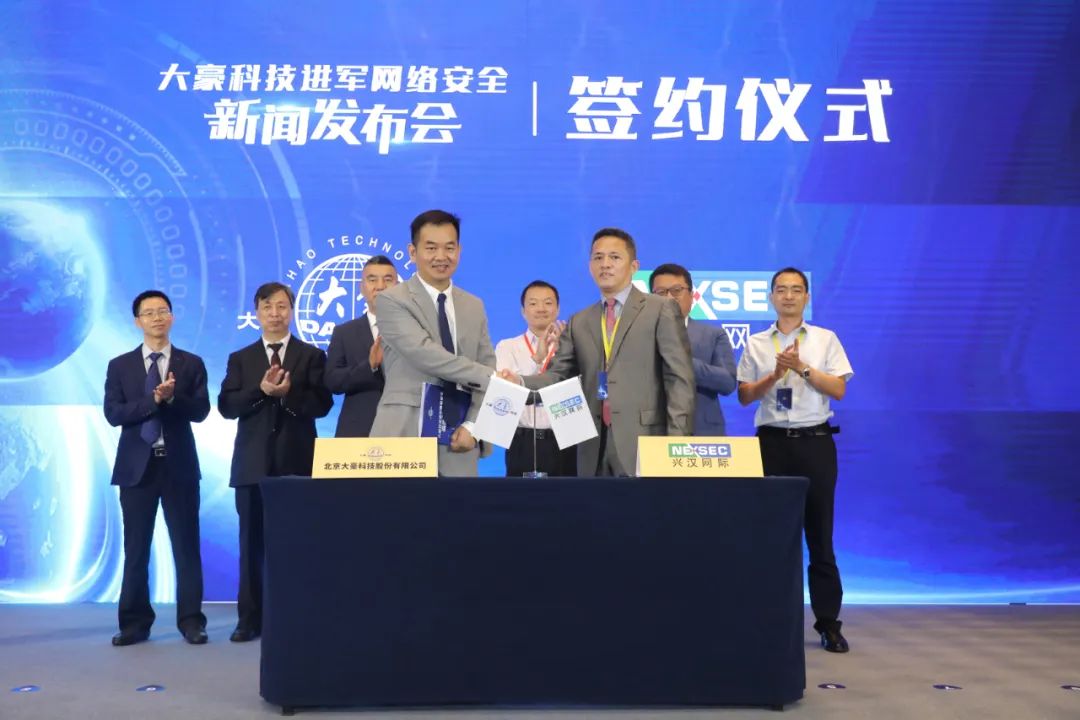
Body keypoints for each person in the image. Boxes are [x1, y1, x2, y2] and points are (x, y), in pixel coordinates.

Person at [505, 228, 695, 475]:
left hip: (645, 440)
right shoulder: (580, 321)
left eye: (614, 257)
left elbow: (679, 380)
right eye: (598, 257)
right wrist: (519, 381)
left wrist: (677, 445)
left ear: (634, 266)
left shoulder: (660, 309)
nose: (605, 264)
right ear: (590, 266)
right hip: (592, 444)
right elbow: (558, 376)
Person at [736, 267, 854, 653]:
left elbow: (838, 389)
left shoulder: (825, 339)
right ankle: (770, 621)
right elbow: (744, 396)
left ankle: (828, 624)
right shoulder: (756, 343)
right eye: (781, 290)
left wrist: (801, 368)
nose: (788, 296)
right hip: (770, 445)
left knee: (820, 537)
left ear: (807, 297)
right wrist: (774, 375)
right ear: (771, 297)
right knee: (769, 537)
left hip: (815, 443)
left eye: (796, 290)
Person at [218, 282, 333, 642]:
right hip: (251, 465)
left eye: (282, 306)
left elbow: (323, 405)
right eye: (267, 307)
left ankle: (296, 616)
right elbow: (226, 406)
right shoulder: (241, 358)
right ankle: (248, 619)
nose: (275, 313)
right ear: (256, 312)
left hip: (299, 463)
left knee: (298, 543)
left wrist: (287, 395)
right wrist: (262, 391)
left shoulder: (311, 355)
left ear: (292, 311)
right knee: (250, 545)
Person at [103, 290, 209, 646]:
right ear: (138, 322)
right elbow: (114, 413)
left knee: (186, 547)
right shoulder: (120, 366)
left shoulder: (191, 363)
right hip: (136, 470)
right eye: (149, 313)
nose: (157, 318)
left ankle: (191, 621)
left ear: (172, 317)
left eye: (163, 311)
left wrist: (173, 397)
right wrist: (154, 400)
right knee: (136, 550)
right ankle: (134, 624)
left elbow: (201, 411)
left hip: (178, 467)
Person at [369, 209, 498, 476]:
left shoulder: (474, 305)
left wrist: (473, 426)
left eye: (449, 248)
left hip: (459, 441)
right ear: (412, 252)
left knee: (458, 505)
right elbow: (425, 354)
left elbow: (487, 362)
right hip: (403, 436)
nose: (441, 256)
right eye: (431, 248)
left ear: (459, 251)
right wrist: (494, 378)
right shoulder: (392, 300)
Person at [494, 280, 577, 477]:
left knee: (568, 495)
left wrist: (563, 351)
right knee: (522, 496)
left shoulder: (573, 346)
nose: (541, 308)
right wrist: (537, 359)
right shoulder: (507, 347)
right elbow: (508, 392)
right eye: (533, 303)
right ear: (523, 311)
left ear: (557, 309)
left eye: (548, 303)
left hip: (565, 439)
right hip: (522, 441)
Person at [649, 263, 737, 435]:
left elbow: (727, 383)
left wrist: (682, 362)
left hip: (702, 432)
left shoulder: (713, 335)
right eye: (661, 292)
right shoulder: (640, 335)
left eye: (676, 290)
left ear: (691, 295)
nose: (669, 298)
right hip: (652, 431)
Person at [324, 255, 398, 437]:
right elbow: (333, 381)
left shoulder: (416, 330)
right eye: (372, 280)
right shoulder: (344, 332)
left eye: (388, 279)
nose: (380, 286)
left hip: (405, 430)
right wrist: (369, 365)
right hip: (358, 431)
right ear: (362, 288)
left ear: (398, 287)